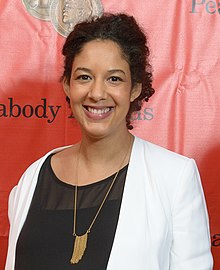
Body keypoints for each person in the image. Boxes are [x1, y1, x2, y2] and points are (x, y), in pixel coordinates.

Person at [5, 13, 213, 270]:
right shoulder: (34, 177)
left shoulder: (175, 177)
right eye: (84, 77)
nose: (97, 93)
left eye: (114, 78)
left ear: (135, 88)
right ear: (68, 85)